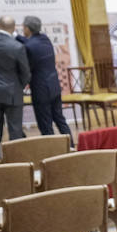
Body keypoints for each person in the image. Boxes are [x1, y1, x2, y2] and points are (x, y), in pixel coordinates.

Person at [16, 15, 74, 144]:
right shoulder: (45, 39)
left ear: (27, 28)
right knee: (60, 119)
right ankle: (71, 146)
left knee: (45, 124)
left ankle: (52, 152)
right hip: (54, 86)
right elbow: (28, 42)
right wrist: (18, 37)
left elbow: (27, 57)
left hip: (41, 89)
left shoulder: (29, 46)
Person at [0, 16, 30, 158]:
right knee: (15, 129)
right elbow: (26, 73)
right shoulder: (17, 46)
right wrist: (18, 86)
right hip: (12, 92)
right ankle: (15, 162)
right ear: (14, 28)